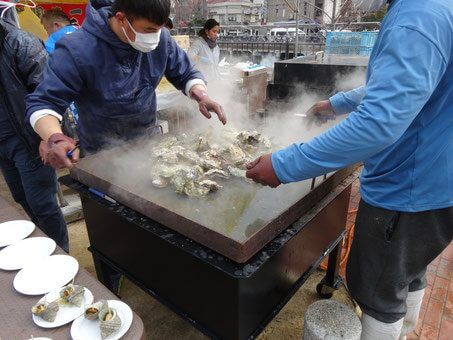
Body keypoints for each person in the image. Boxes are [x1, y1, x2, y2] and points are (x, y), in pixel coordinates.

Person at [246, 0, 452, 338]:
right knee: (408, 273)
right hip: (438, 182)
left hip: (408, 189)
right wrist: (338, 102)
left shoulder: (417, 16)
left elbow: (377, 124)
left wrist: (283, 164)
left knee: (378, 296)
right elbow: (406, 85)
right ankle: (407, 331)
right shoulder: (437, 7)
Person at [25, 0, 226, 170]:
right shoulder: (77, 49)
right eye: (149, 30)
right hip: (101, 151)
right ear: (121, 18)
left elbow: (186, 72)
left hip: (148, 141)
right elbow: (44, 103)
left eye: (160, 29)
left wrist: (201, 96)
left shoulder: (160, 39)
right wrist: (55, 138)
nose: (155, 37)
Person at [0, 17, 69, 252]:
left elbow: (47, 92)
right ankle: (44, 248)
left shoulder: (20, 42)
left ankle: (60, 257)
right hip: (2, 145)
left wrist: (46, 137)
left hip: (27, 140)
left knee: (42, 204)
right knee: (21, 197)